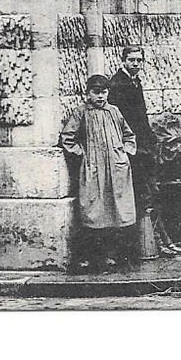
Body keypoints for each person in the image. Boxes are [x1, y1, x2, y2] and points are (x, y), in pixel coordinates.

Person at [108, 46, 181, 256]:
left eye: (139, 60)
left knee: (150, 196)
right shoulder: (119, 85)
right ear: (123, 60)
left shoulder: (135, 83)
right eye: (131, 60)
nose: (136, 64)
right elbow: (123, 122)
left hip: (143, 149)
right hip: (133, 151)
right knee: (147, 197)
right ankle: (157, 244)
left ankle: (161, 243)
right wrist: (134, 147)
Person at [60, 73, 137, 271]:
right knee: (95, 211)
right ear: (88, 94)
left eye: (103, 92)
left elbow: (129, 135)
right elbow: (68, 137)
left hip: (116, 168)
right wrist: (82, 154)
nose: (100, 97)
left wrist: (125, 152)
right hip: (94, 169)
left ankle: (119, 257)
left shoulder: (114, 111)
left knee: (119, 210)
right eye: (96, 93)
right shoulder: (81, 113)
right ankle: (96, 258)